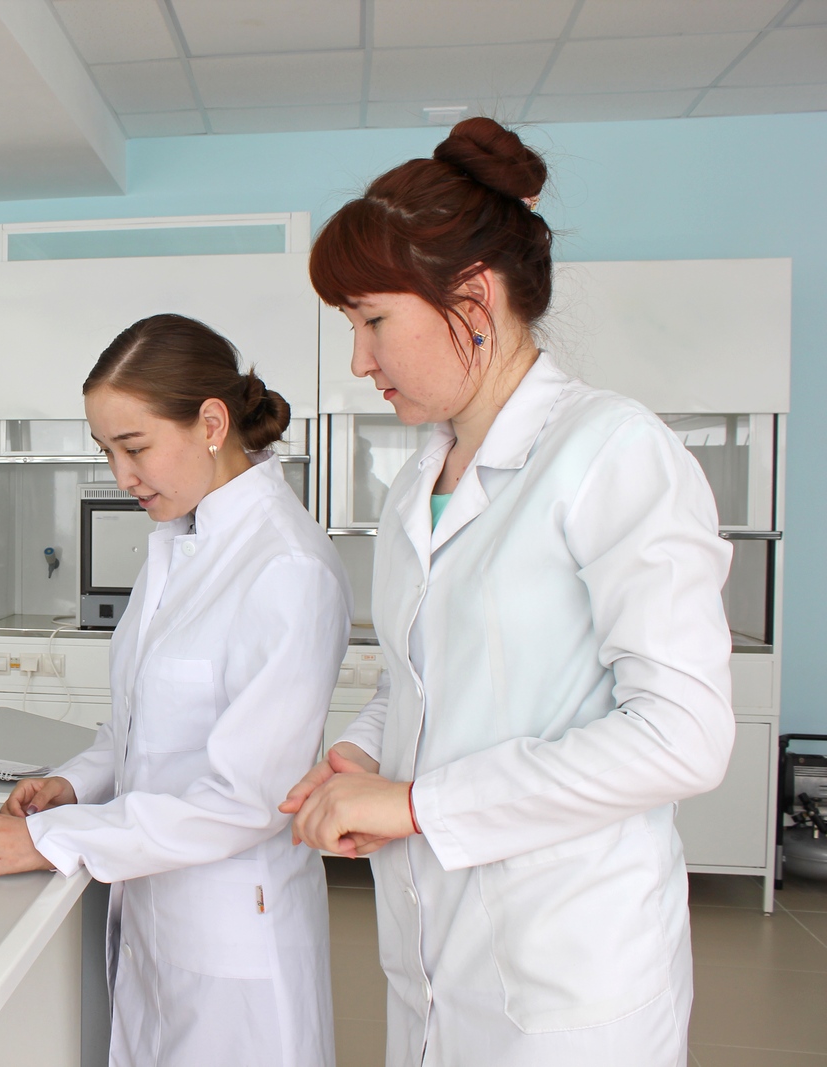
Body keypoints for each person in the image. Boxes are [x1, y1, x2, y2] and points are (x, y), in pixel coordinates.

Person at [280, 117, 734, 1066]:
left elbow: (681, 735)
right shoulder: (419, 481)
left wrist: (417, 805)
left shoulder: (611, 452)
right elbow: (417, 673)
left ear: (474, 298)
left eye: (372, 321)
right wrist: (362, 751)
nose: (359, 361)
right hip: (434, 956)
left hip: (570, 970)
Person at [0, 313, 351, 1066]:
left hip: (232, 936)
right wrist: (74, 784)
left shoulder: (285, 567)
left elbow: (246, 799)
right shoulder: (180, 544)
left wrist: (54, 839)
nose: (121, 475)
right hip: (157, 917)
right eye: (107, 451)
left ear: (211, 424)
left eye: (134, 447)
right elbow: (141, 728)